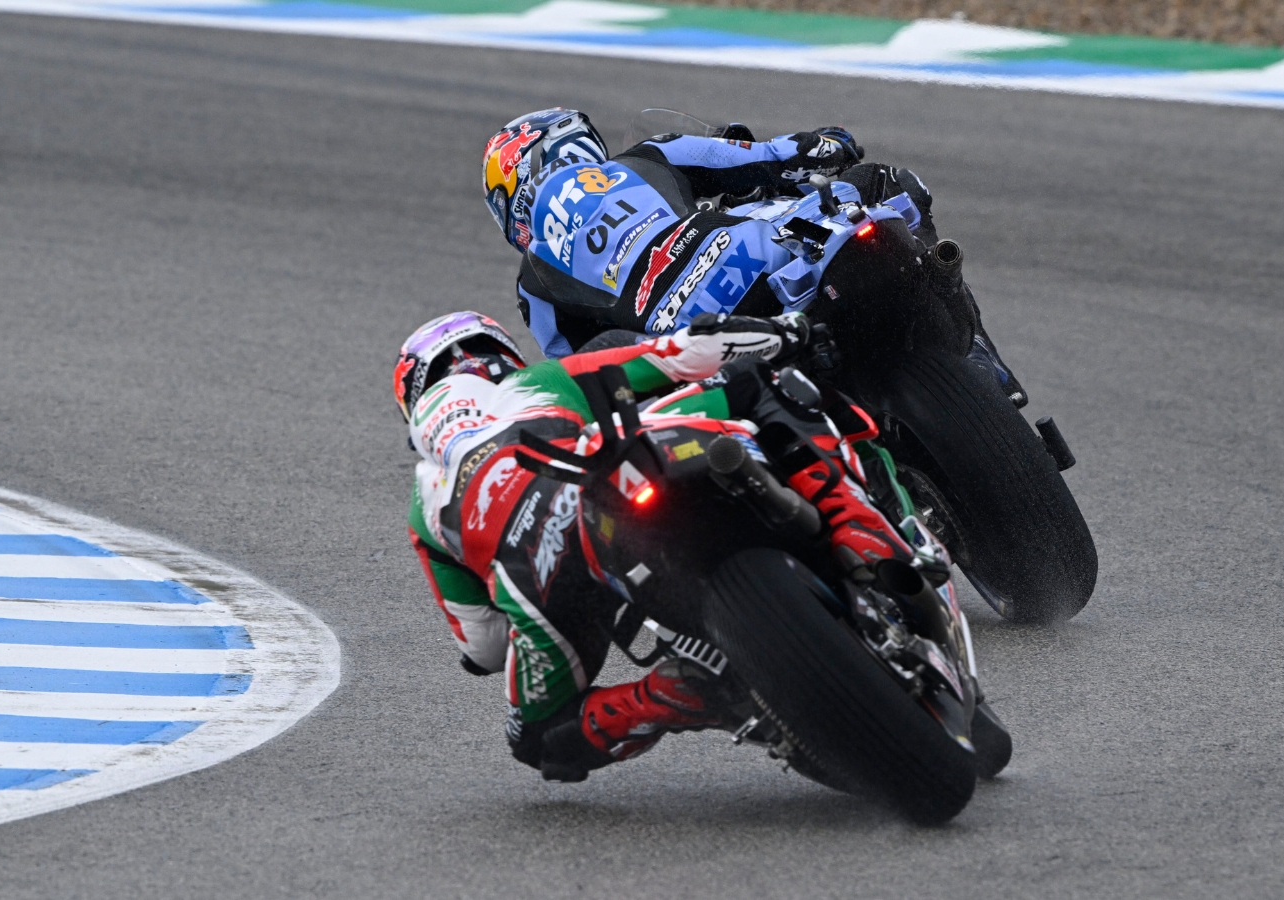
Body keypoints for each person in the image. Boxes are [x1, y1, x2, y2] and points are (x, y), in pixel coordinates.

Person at [399, 309, 931, 782]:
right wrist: (785, 333)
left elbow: (486, 649)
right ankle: (860, 531)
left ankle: (671, 696)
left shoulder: (425, 506)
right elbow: (684, 353)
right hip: (603, 487)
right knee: (760, 382)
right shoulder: (533, 383)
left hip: (539, 580)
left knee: (536, 738)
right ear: (503, 357)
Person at [480, 108, 1027, 407]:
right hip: (763, 263)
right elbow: (774, 156)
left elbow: (586, 378)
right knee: (887, 184)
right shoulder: (648, 156)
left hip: (699, 352)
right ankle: (981, 362)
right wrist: (831, 142)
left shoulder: (534, 283)